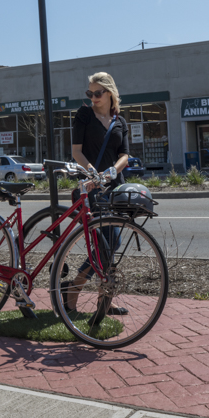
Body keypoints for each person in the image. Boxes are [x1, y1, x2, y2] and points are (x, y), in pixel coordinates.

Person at [65, 72, 129, 313]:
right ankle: (75, 288)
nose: (93, 97)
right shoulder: (84, 115)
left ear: (110, 92)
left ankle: (104, 300)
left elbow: (125, 155)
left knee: (110, 243)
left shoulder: (120, 121)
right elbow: (77, 152)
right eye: (89, 93)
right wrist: (94, 174)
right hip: (92, 187)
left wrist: (112, 171)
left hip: (114, 187)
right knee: (109, 240)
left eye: (98, 93)